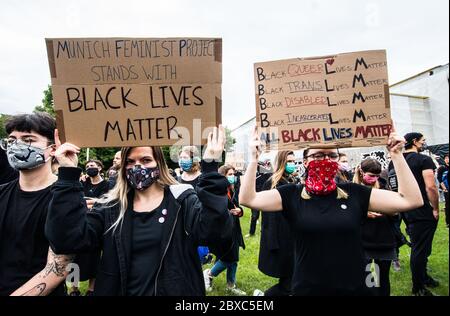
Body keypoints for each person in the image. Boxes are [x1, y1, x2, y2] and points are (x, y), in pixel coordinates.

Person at [45, 126, 233, 296]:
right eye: (130, 161)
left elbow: (217, 235)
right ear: (123, 167)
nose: (137, 167)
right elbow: (66, 240)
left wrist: (210, 169)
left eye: (146, 160)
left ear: (159, 164)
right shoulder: (109, 207)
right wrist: (68, 176)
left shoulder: (181, 200)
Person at [239, 126, 423, 296]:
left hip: (355, 287)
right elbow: (248, 199)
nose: (325, 160)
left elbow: (411, 200)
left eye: (331, 156)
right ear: (305, 161)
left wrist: (397, 154)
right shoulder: (291, 195)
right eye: (318, 155)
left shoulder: (354, 193)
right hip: (308, 288)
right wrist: (254, 158)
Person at [0, 112, 73, 296]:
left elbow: (58, 269)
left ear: (52, 148)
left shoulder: (64, 197)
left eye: (28, 139)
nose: (16, 145)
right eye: (12, 139)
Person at [388, 132, 440, 296]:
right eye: (423, 140)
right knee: (420, 248)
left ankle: (424, 277)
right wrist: (435, 207)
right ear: (415, 142)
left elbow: (393, 185)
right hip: (422, 208)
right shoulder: (424, 160)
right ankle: (418, 287)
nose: (424, 143)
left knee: (420, 245)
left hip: (404, 208)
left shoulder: (394, 162)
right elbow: (431, 187)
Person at [354, 158, 397, 296]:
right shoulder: (352, 190)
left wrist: (389, 210)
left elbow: (395, 212)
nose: (374, 179)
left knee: (383, 277)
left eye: (377, 176)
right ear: (361, 172)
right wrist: (364, 214)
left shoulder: (383, 187)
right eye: (371, 175)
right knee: (369, 277)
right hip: (364, 242)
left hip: (384, 240)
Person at [256, 151, 296, 296]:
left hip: (293, 236)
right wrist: (272, 241)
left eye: (293, 161)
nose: (292, 164)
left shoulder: (291, 181)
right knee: (288, 283)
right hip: (281, 238)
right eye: (289, 161)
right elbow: (269, 216)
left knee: (292, 279)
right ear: (282, 162)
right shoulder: (272, 183)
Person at [203, 165, 246, 296]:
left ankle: (231, 285)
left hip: (234, 229)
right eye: (229, 174)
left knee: (234, 259)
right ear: (222, 176)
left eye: (233, 174)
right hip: (223, 230)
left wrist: (240, 211)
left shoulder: (231, 190)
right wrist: (227, 212)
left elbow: (237, 207)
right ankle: (209, 274)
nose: (232, 177)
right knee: (228, 258)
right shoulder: (216, 192)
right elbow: (213, 211)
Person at [69, 159, 110, 296]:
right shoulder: (83, 183)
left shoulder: (107, 185)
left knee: (94, 256)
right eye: (87, 166)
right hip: (79, 223)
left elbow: (107, 201)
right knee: (74, 257)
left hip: (97, 224)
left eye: (92, 166)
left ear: (100, 167)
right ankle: (73, 289)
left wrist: (96, 203)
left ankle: (91, 289)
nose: (89, 168)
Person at [437, 154, 449, 228]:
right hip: (447, 190)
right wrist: (444, 188)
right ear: (444, 160)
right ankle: (448, 222)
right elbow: (439, 179)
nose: (448, 159)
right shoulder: (442, 168)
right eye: (446, 158)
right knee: (448, 207)